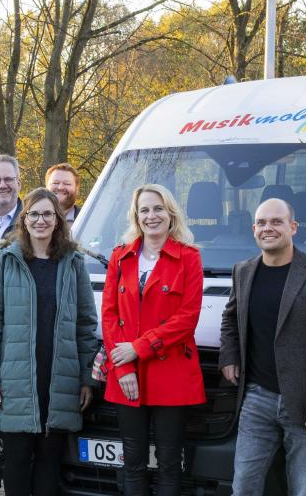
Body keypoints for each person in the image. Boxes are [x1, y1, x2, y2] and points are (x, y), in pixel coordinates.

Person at [220, 198, 306, 496]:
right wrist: (228, 356)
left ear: (293, 227)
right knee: (243, 488)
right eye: (262, 223)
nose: (269, 228)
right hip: (256, 399)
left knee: (304, 490)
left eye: (277, 222)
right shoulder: (242, 271)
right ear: (254, 229)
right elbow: (230, 318)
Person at [0, 188, 99, 495]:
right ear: (24, 219)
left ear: (58, 220)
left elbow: (86, 326)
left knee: (49, 466)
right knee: (15, 464)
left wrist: (87, 378)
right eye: (34, 214)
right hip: (15, 380)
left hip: (59, 379)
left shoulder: (73, 264)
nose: (41, 220)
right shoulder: (4, 263)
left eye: (48, 214)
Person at [100, 183, 205, 496]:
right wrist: (123, 368)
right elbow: (109, 316)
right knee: (132, 460)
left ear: (170, 214)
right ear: (136, 216)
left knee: (169, 462)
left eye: (158, 208)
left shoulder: (189, 258)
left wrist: (137, 348)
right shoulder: (120, 257)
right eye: (144, 209)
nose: (151, 215)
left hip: (170, 373)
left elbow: (187, 319)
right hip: (126, 374)